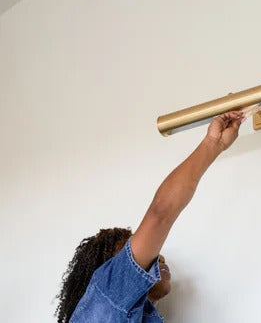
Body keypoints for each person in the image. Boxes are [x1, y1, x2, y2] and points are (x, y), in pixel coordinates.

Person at [55, 111, 245, 322]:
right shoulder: (107, 294)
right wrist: (213, 143)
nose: (159, 257)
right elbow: (160, 212)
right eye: (138, 251)